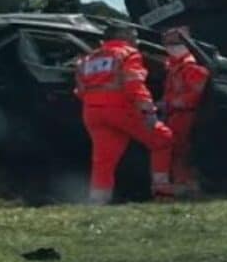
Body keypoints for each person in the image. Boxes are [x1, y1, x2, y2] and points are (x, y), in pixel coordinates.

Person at [75, 22, 175, 204]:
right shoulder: (128, 54)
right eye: (134, 36)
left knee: (103, 160)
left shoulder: (88, 59)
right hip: (121, 108)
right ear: (125, 37)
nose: (137, 40)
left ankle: (98, 201)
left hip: (92, 112)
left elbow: (80, 90)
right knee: (163, 139)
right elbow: (134, 84)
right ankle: (162, 193)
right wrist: (148, 110)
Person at [161, 28, 211, 198]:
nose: (169, 47)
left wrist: (171, 103)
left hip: (186, 115)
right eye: (167, 43)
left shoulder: (191, 66)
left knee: (182, 152)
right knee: (175, 151)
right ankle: (182, 184)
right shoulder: (173, 66)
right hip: (175, 114)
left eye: (173, 43)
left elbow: (196, 94)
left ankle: (188, 186)